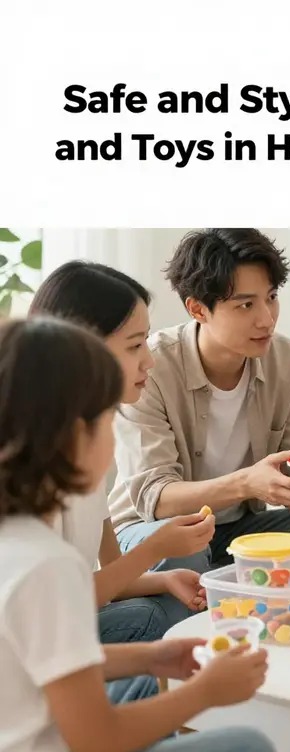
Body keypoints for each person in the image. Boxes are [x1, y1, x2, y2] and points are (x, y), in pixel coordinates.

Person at [0, 316, 276, 752]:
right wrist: (205, 693)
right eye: (106, 419)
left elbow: (38, 664)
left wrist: (154, 655)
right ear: (68, 436)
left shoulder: (16, 542)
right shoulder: (48, 564)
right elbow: (97, 739)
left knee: (144, 680)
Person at [109, 228, 290, 586]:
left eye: (271, 297)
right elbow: (156, 498)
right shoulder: (151, 366)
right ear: (198, 308)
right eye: (246, 305)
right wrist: (249, 484)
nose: (267, 319)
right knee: (184, 543)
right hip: (149, 529)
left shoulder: (288, 361)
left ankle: (288, 626)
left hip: (236, 527)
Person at [29, 261, 217, 704]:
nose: (149, 360)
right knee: (151, 630)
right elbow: (62, 606)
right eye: (135, 345)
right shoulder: (37, 462)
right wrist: (156, 549)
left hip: (64, 626)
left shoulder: (89, 435)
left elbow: (107, 575)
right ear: (81, 347)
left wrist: (165, 578)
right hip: (32, 649)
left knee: (171, 603)